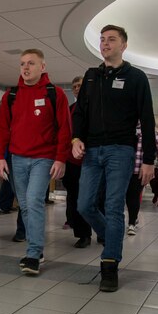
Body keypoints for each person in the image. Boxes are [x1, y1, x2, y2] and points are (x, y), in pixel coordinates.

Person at [72, 24, 155, 292]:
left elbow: (148, 120)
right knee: (84, 205)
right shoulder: (92, 76)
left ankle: (110, 265)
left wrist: (149, 160)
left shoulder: (136, 77)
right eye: (103, 40)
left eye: (111, 40)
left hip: (121, 149)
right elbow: (80, 113)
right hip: (92, 150)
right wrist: (76, 138)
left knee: (113, 205)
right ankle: (113, 238)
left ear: (124, 45)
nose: (105, 44)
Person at [0, 48, 71, 275]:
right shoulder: (11, 95)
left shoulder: (55, 93)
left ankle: (33, 252)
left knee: (33, 201)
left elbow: (65, 129)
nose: (26, 68)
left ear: (42, 67)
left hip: (43, 158)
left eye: (31, 63)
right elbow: (1, 129)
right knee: (26, 205)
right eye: (22, 64)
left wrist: (61, 158)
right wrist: (0, 157)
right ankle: (36, 249)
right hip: (17, 158)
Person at [62, 76, 93, 248]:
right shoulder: (70, 109)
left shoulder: (96, 108)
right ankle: (83, 234)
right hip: (72, 162)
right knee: (75, 199)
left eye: (80, 85)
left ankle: (102, 232)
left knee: (95, 199)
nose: (77, 89)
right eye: (74, 86)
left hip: (92, 162)